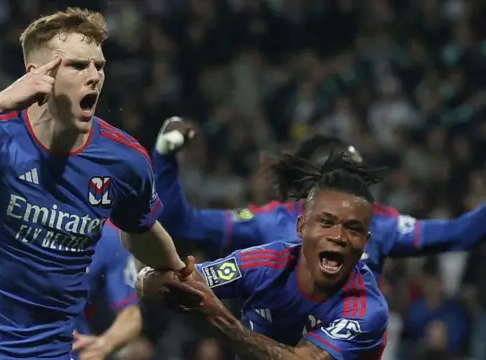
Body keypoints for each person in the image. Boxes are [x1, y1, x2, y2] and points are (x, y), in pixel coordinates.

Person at [0, 8, 197, 360]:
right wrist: (2, 100)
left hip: (47, 351)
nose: (94, 76)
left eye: (99, 65)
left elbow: (140, 229)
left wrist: (178, 271)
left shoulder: (124, 160)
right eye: (78, 66)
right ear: (38, 76)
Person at [153, 117, 486, 277]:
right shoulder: (269, 223)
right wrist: (165, 157)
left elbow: (463, 234)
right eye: (351, 166)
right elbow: (180, 223)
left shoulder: (381, 224)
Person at [137, 153, 389, 360]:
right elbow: (170, 279)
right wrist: (151, 280)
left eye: (353, 229)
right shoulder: (266, 263)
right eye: (326, 223)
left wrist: (217, 316)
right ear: (301, 227)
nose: (339, 237)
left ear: (365, 243)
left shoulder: (366, 308)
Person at [72, 221, 142, 360]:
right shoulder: (18, 220)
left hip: (71, 349)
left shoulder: (109, 238)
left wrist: (103, 344)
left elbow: (131, 315)